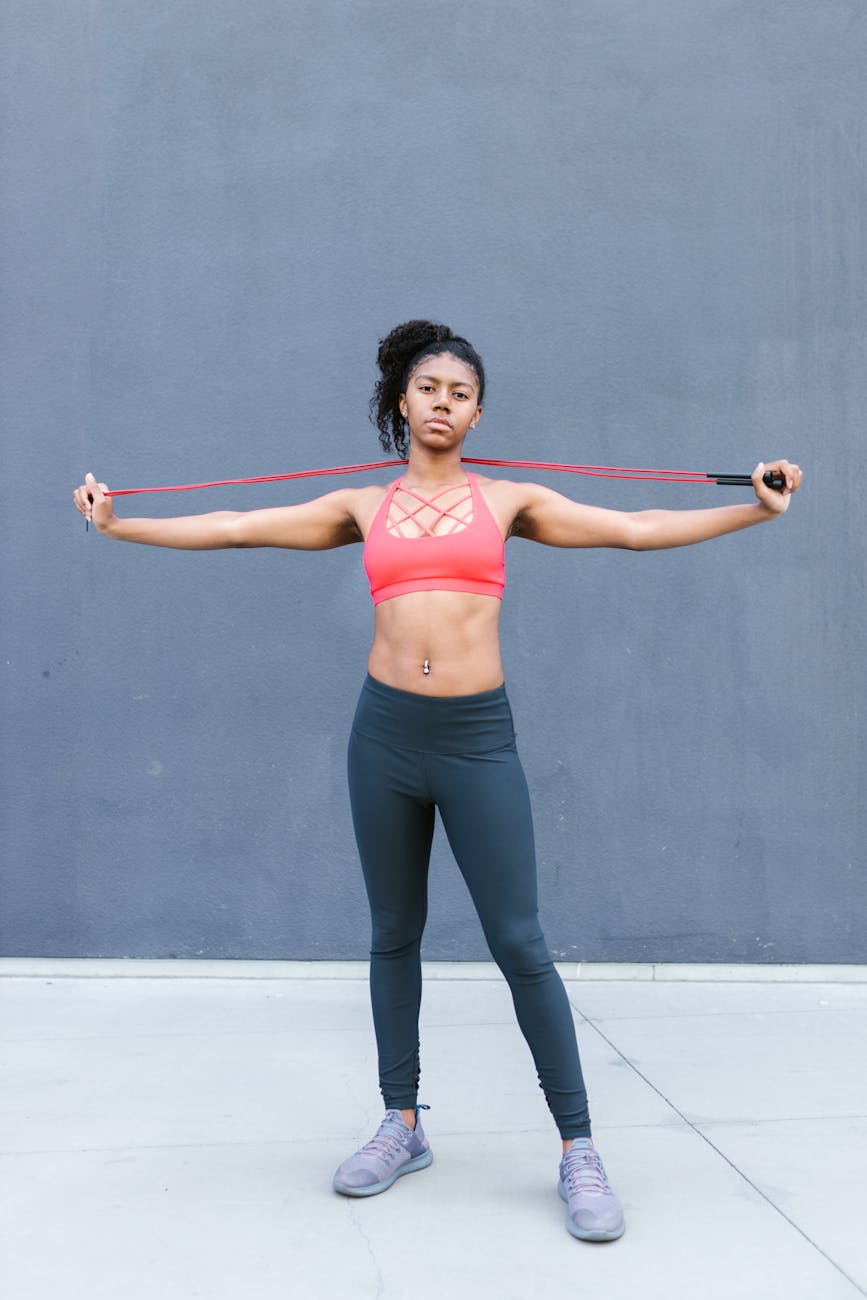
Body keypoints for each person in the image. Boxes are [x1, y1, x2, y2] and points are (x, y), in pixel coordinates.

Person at [73, 319, 802, 1242]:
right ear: (402, 402)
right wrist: (119, 521)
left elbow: (634, 525)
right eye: (429, 389)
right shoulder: (358, 509)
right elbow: (232, 527)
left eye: (460, 393)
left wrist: (753, 506)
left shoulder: (506, 504)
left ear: (478, 411)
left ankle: (578, 1148)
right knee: (393, 935)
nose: (443, 404)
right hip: (383, 738)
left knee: (520, 942)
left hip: (474, 740)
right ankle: (401, 1122)